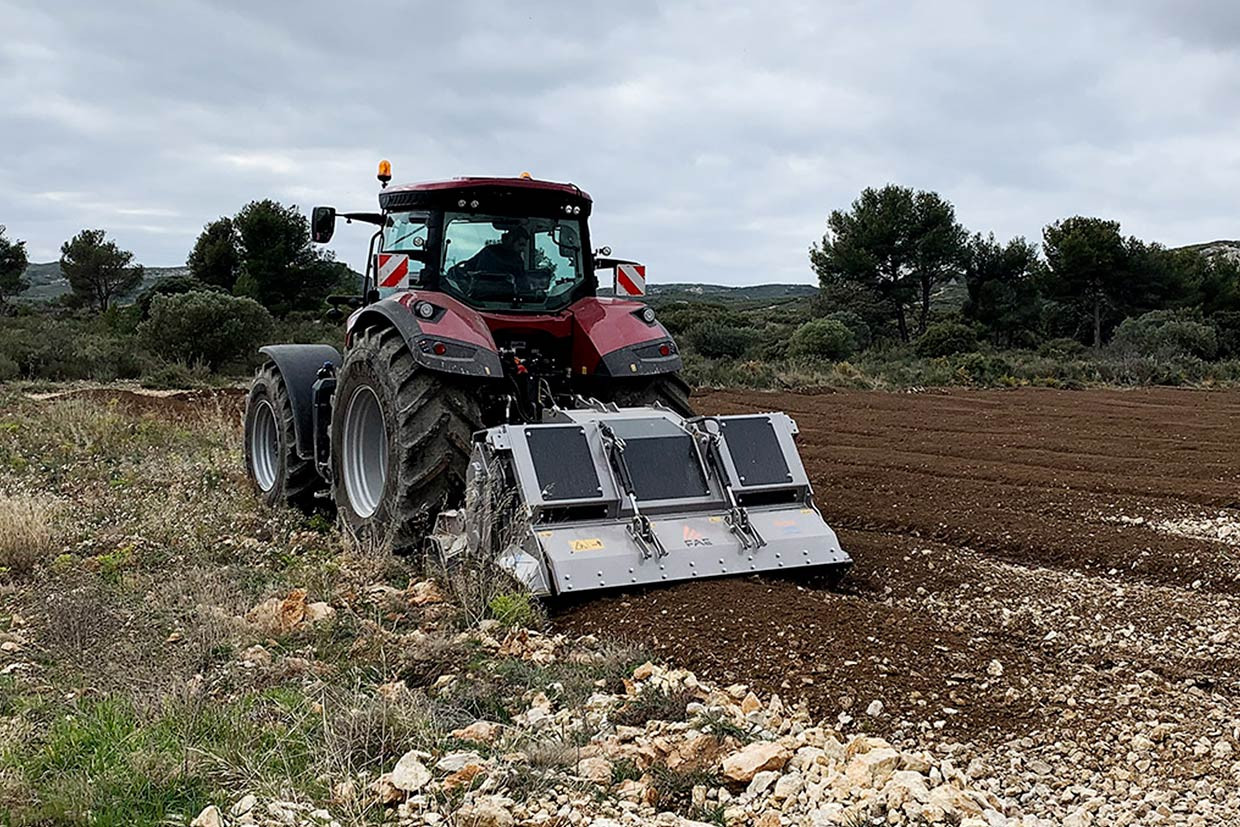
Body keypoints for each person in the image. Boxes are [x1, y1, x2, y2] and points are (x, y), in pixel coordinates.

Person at [460, 225, 529, 276]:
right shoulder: (489, 252)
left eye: (524, 246)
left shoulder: (517, 260)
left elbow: (522, 281)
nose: (523, 249)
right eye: (521, 244)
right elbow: (468, 268)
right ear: (510, 240)